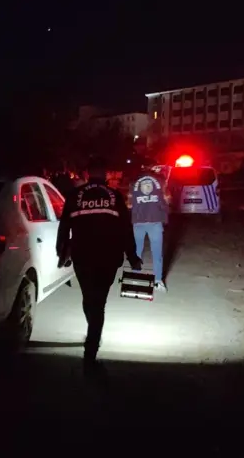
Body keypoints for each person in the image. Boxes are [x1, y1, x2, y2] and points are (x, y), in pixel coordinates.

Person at [56, 157, 142, 378]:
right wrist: (132, 256)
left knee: (89, 298)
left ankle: (92, 338)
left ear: (87, 174)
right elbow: (125, 228)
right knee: (99, 302)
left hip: (82, 256)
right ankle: (91, 350)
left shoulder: (75, 196)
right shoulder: (114, 196)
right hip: (108, 256)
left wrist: (61, 252)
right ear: (105, 175)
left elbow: (64, 225)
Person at [130, 170, 169, 292]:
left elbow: (130, 203)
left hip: (138, 222)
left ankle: (135, 277)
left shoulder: (133, 183)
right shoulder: (160, 182)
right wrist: (165, 217)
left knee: (137, 251)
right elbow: (165, 202)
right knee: (157, 252)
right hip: (155, 221)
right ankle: (158, 281)